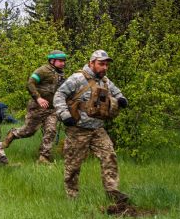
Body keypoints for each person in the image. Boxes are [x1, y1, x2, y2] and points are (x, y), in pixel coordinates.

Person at [53, 50, 129, 204]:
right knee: (73, 166)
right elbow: (59, 95)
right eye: (101, 64)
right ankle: (72, 197)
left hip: (97, 129)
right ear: (91, 63)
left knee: (110, 157)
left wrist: (121, 99)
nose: (105, 67)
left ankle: (112, 192)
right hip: (78, 129)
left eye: (106, 64)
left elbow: (117, 92)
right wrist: (64, 114)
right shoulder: (77, 78)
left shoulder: (105, 81)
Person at [3, 50, 67, 163]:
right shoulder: (43, 70)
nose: (63, 63)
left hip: (52, 109)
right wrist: (38, 98)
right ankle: (13, 134)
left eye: (64, 61)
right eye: (60, 61)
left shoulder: (61, 74)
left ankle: (44, 157)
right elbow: (30, 83)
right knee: (29, 131)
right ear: (52, 61)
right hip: (38, 108)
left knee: (51, 130)